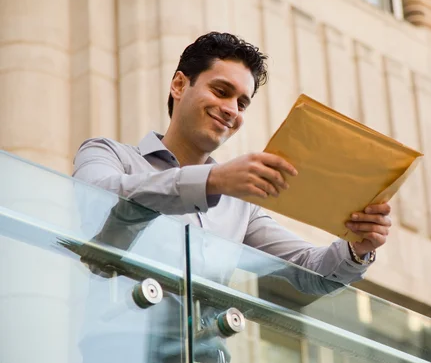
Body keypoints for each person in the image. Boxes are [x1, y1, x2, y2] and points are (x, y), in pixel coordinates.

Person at [72, 31, 392, 286]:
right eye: (221, 91)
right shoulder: (106, 154)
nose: (231, 110)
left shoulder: (240, 204)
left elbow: (309, 270)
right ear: (179, 84)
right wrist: (213, 181)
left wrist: (357, 248)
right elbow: (100, 197)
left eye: (242, 104)